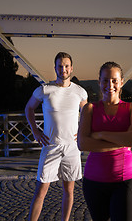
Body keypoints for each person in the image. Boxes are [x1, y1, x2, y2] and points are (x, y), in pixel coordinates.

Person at [78, 61, 132, 221]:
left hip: (124, 181)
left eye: (114, 80)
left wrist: (100, 134)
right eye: (105, 80)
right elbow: (83, 144)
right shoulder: (90, 109)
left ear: (121, 82)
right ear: (99, 82)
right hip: (93, 182)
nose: (110, 84)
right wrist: (124, 140)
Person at [25, 52, 88, 221]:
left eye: (66, 65)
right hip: (50, 146)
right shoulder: (44, 90)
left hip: (72, 148)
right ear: (55, 68)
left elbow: (88, 113)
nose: (63, 69)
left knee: (69, 190)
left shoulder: (80, 92)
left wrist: (82, 130)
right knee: (40, 191)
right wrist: (35, 130)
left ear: (71, 68)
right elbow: (29, 108)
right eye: (60, 66)